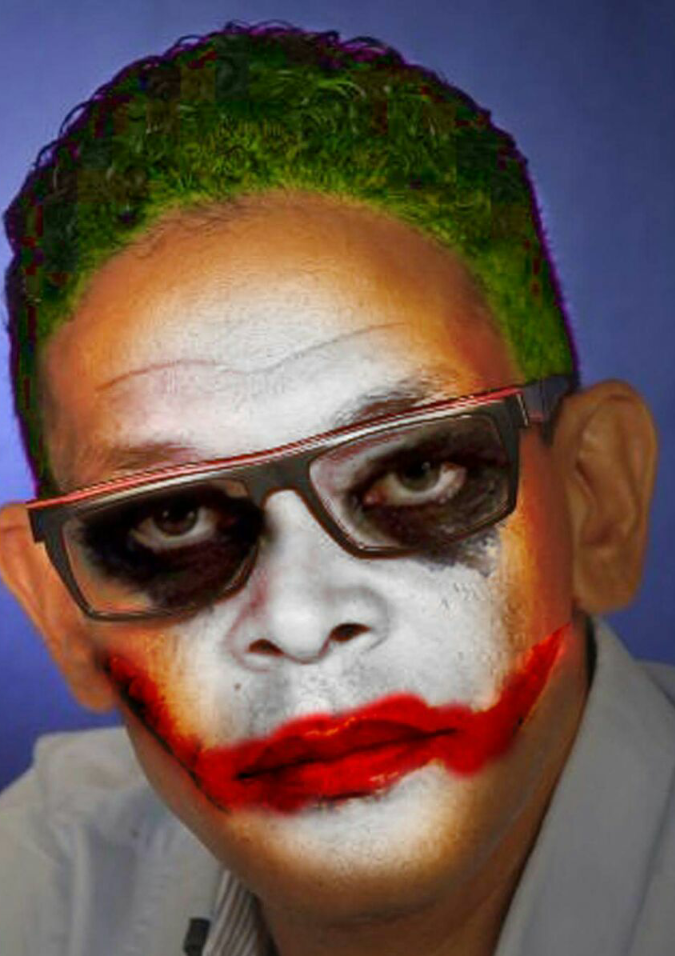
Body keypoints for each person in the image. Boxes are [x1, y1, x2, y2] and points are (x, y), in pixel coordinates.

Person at [0, 21, 670, 956]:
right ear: (61, 616)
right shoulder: (35, 893)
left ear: (597, 500)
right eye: (171, 519)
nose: (303, 619)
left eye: (415, 472)